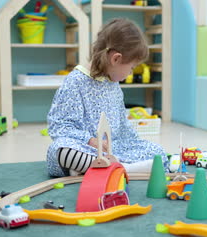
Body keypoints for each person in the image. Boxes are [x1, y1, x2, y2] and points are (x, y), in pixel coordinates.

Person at [46, 18, 169, 177]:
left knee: (157, 152)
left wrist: (135, 144)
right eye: (131, 67)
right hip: (84, 147)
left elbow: (123, 126)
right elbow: (59, 126)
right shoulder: (75, 82)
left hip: (114, 150)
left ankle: (106, 168)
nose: (131, 72)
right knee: (61, 150)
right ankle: (115, 168)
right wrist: (90, 140)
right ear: (116, 59)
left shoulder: (114, 85)